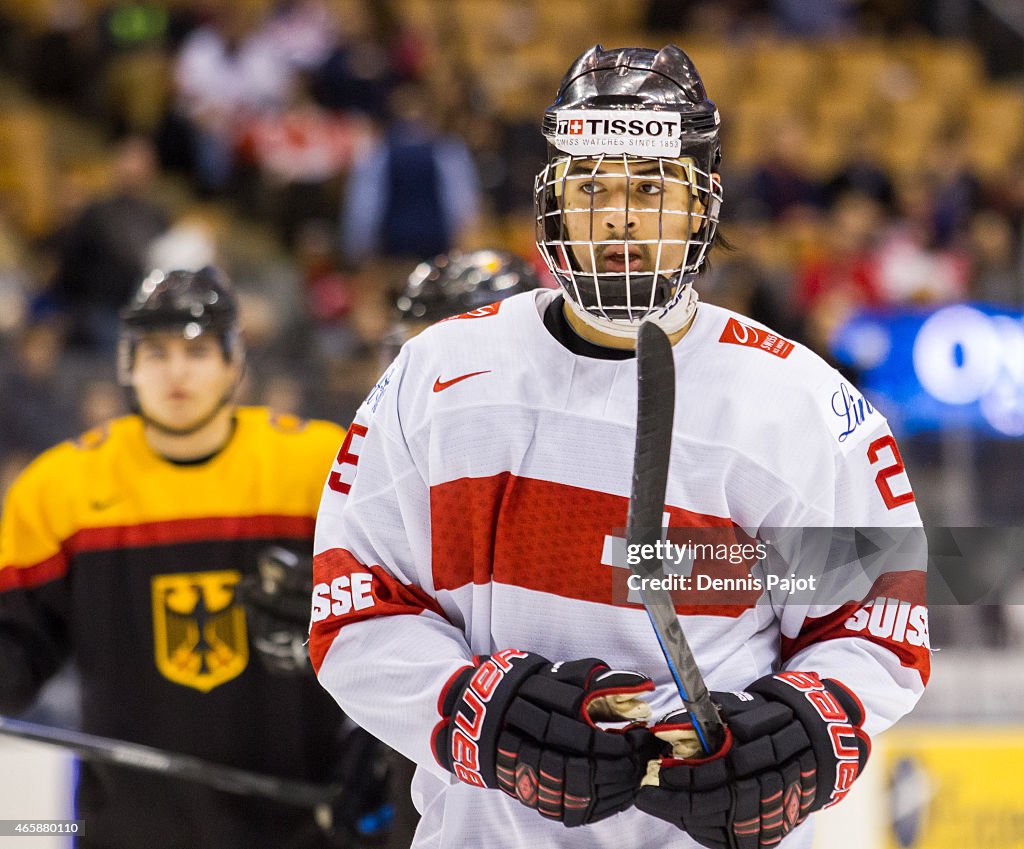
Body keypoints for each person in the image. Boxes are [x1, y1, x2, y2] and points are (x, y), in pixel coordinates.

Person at [311, 45, 929, 849]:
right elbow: (353, 603)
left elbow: (880, 621)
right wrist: (471, 707)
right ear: (553, 202)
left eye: (649, 187)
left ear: (701, 205)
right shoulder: (438, 376)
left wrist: (807, 729)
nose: (620, 216)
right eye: (591, 185)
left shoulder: (797, 403)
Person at [0, 267, 389, 848]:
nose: (177, 373)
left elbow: (399, 615)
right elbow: (17, 645)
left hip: (300, 818)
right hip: (130, 827)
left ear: (235, 363)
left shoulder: (319, 466)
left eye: (199, 351)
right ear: (126, 364)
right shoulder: (60, 488)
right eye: (156, 354)